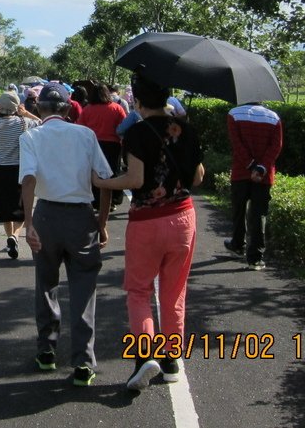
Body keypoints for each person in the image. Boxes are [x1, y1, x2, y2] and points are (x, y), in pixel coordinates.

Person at [93, 73, 204, 392]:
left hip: (147, 222)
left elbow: (135, 180)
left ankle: (144, 359)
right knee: (174, 290)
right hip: (183, 219)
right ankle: (171, 361)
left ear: (137, 101)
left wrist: (102, 182)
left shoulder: (137, 132)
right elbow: (197, 178)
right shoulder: (188, 129)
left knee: (139, 291)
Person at [20, 83, 113, 387]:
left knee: (46, 283)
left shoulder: (31, 136)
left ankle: (46, 350)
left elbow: (29, 179)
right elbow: (103, 180)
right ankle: (83, 362)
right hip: (80, 216)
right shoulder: (85, 134)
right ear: (68, 107)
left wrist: (29, 222)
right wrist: (101, 222)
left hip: (46, 214)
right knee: (84, 288)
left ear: (40, 108)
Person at [0, 91, 41, 259]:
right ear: (16, 107)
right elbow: (41, 122)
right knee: (20, 207)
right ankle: (15, 236)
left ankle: (9, 237)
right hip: (18, 170)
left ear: (0, 107)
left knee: (3, 207)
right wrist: (26, 113)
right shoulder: (22, 123)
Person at [225, 102, 283, 270]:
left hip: (240, 172)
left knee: (238, 210)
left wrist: (250, 165)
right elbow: (276, 147)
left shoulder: (234, 114)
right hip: (263, 176)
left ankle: (237, 244)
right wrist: (261, 168)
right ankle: (255, 258)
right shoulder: (273, 117)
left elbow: (237, 145)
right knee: (259, 215)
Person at [76, 82, 127, 211]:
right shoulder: (116, 108)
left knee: (94, 173)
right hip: (113, 145)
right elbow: (123, 127)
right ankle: (112, 201)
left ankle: (96, 201)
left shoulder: (87, 109)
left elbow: (81, 128)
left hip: (93, 144)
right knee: (112, 173)